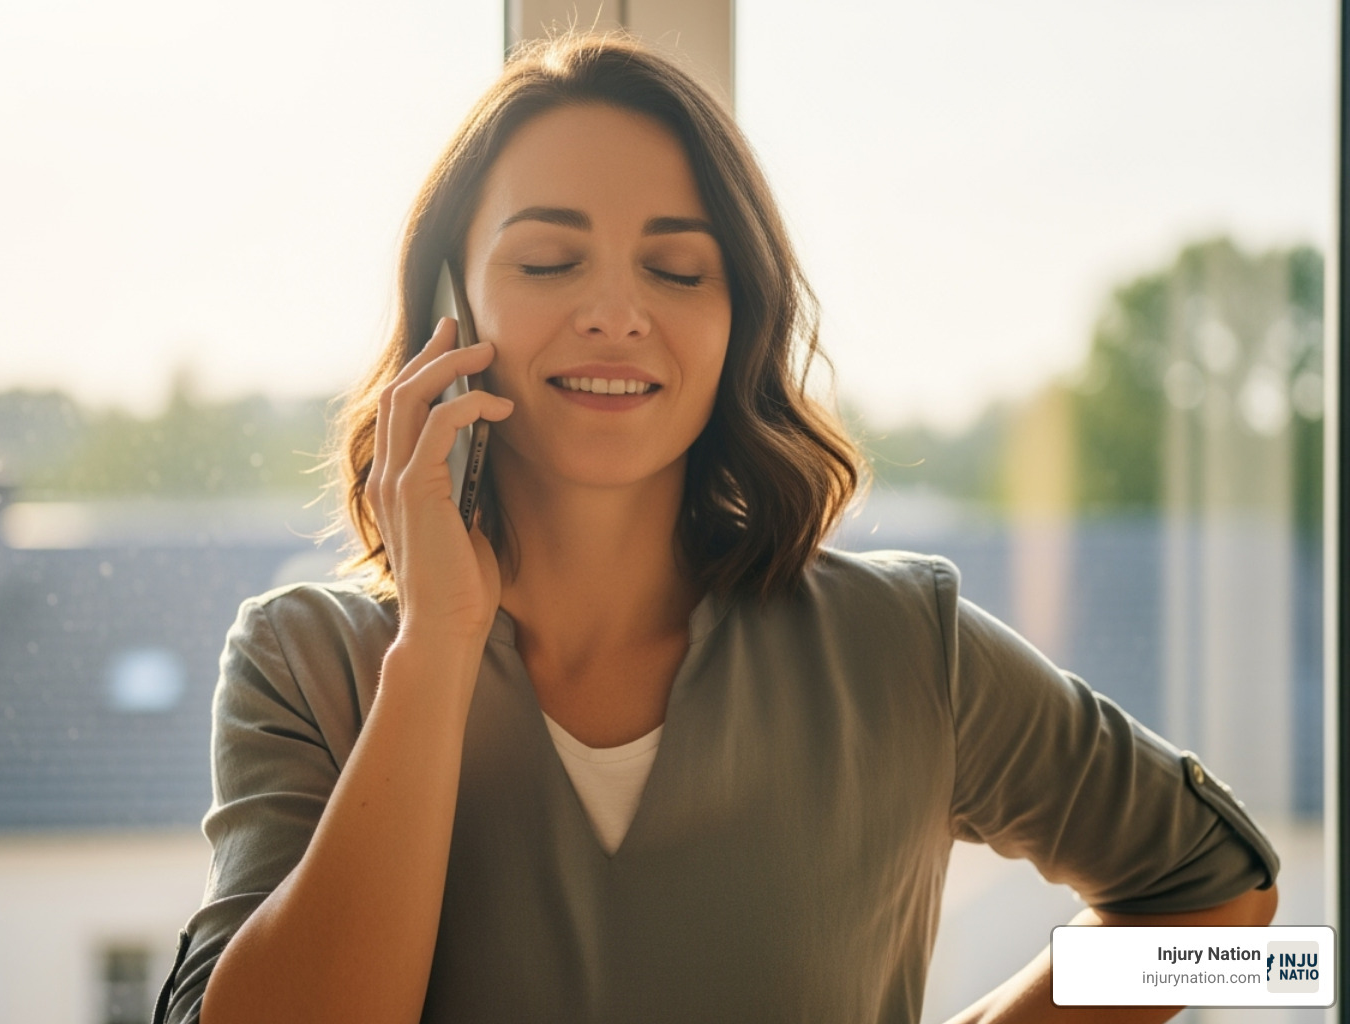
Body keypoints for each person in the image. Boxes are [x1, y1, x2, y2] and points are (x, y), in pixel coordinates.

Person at [156, 33, 1278, 1024]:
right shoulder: (307, 665)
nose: (615, 313)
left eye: (677, 269)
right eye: (547, 262)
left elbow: (1233, 910)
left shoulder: (901, 648)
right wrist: (438, 647)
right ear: (452, 305)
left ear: (741, 315)